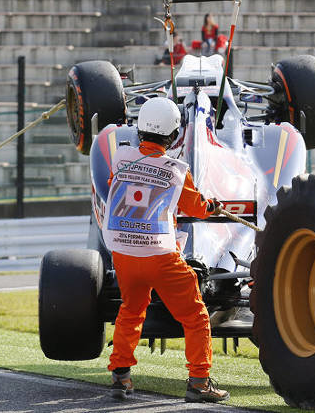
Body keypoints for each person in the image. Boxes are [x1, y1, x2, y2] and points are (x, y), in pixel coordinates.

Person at [102, 98, 227, 402]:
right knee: (196, 316)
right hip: (160, 255)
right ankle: (199, 382)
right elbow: (196, 208)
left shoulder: (120, 160)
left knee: (131, 309)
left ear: (141, 130)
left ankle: (121, 376)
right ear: (173, 135)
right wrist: (212, 206)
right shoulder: (175, 170)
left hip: (123, 252)